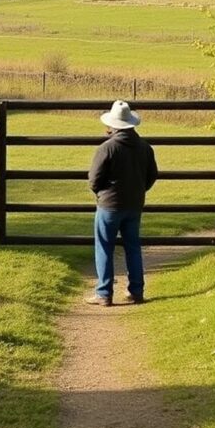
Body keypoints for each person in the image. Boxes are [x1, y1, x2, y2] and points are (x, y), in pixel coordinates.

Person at [85, 100, 158, 306]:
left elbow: (94, 179)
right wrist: (139, 191)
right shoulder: (145, 147)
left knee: (104, 247)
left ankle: (104, 293)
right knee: (133, 247)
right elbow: (152, 175)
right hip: (134, 204)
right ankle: (136, 290)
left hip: (109, 205)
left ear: (113, 125)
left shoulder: (107, 148)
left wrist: (101, 193)